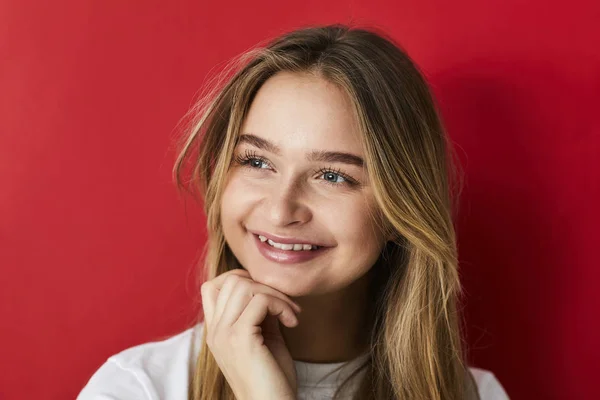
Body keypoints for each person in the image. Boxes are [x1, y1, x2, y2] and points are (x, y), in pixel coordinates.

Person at [77, 24, 510, 400]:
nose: (281, 210)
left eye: (333, 176)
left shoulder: (472, 395)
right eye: (257, 162)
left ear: (401, 208)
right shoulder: (138, 389)